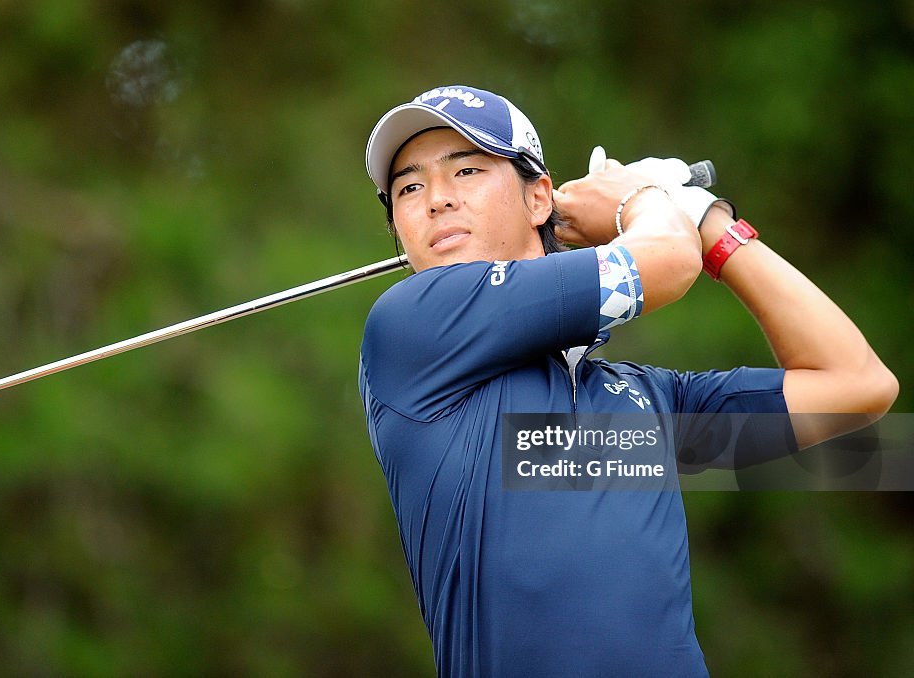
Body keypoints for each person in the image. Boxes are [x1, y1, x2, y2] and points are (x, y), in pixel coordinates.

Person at [358, 84, 898, 677]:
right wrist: (645, 203)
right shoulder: (412, 327)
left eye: (467, 170)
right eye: (409, 187)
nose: (437, 199)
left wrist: (707, 221)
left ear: (539, 199)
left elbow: (855, 386)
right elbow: (667, 261)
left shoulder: (639, 411)